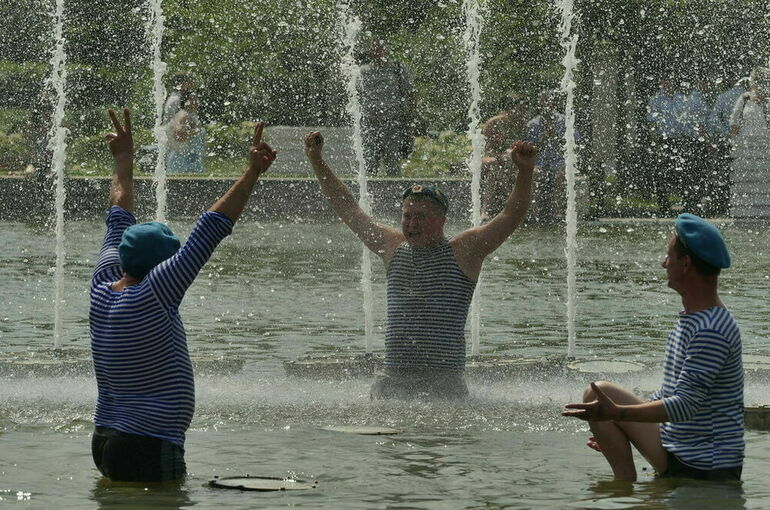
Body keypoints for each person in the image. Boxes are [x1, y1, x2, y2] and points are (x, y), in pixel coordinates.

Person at [90, 109, 275, 482]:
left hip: (106, 436)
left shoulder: (103, 282)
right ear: (164, 266)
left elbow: (118, 212)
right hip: (147, 442)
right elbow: (210, 229)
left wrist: (123, 159)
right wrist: (252, 173)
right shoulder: (157, 292)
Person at [304, 130, 537, 399]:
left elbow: (510, 216)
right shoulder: (392, 247)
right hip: (392, 381)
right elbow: (348, 209)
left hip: (444, 383)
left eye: (421, 217)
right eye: (407, 216)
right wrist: (316, 161)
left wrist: (525, 172)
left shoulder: (465, 251)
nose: (412, 224)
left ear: (441, 221)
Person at [563, 213, 743, 482]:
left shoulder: (710, 329)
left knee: (600, 398)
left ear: (685, 264)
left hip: (704, 465)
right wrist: (622, 429)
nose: (663, 263)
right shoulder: (696, 317)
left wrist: (618, 414)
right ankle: (624, 488)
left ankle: (624, 485)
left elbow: (686, 406)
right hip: (683, 448)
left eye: (668, 257)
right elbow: (671, 393)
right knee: (597, 392)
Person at [358, 39, 417, 176]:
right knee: (369, 167)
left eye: (381, 48)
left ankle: (395, 195)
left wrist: (411, 121)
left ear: (386, 50)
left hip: (392, 124)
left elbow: (412, 94)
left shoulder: (397, 69)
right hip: (369, 125)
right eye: (375, 49)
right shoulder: (363, 71)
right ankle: (368, 196)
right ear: (370, 52)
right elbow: (355, 95)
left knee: (393, 165)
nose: (378, 52)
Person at [728, 67, 770, 218]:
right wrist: (742, 141)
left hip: (766, 147)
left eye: (764, 81)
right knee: (746, 182)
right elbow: (733, 123)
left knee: (764, 181)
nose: (761, 84)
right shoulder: (744, 98)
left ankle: (765, 214)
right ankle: (743, 213)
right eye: (758, 81)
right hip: (746, 148)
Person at [481, 93, 528, 219]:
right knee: (495, 166)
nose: (522, 112)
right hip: (492, 157)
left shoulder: (522, 124)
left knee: (495, 171)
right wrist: (497, 156)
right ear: (509, 109)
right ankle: (511, 204)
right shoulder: (494, 123)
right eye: (520, 108)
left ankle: (486, 209)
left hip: (510, 159)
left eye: (523, 109)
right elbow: (485, 148)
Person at [526, 91, 566, 222]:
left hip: (558, 161)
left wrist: (556, 136)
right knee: (534, 174)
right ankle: (533, 210)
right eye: (543, 101)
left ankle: (558, 210)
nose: (546, 104)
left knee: (560, 175)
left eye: (548, 101)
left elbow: (572, 144)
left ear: (553, 103)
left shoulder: (563, 121)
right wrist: (541, 140)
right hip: (539, 162)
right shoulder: (533, 124)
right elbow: (529, 148)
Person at [163, 73, 206, 174]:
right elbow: (177, 131)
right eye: (194, 99)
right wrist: (193, 131)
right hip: (180, 155)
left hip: (188, 155)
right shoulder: (182, 111)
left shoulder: (191, 113)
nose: (197, 101)